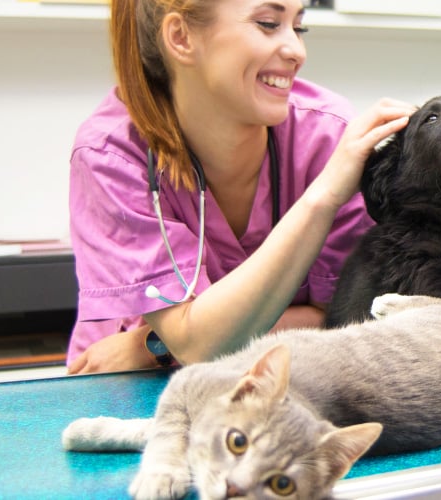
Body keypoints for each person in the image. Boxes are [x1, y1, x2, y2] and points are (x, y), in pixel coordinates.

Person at [66, 0, 413, 374]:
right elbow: (196, 342)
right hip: (130, 384)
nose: (297, 51)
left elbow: (347, 317)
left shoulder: (327, 136)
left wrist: (154, 346)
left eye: (299, 27)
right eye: (267, 23)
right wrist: (322, 197)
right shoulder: (112, 154)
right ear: (181, 37)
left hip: (279, 379)